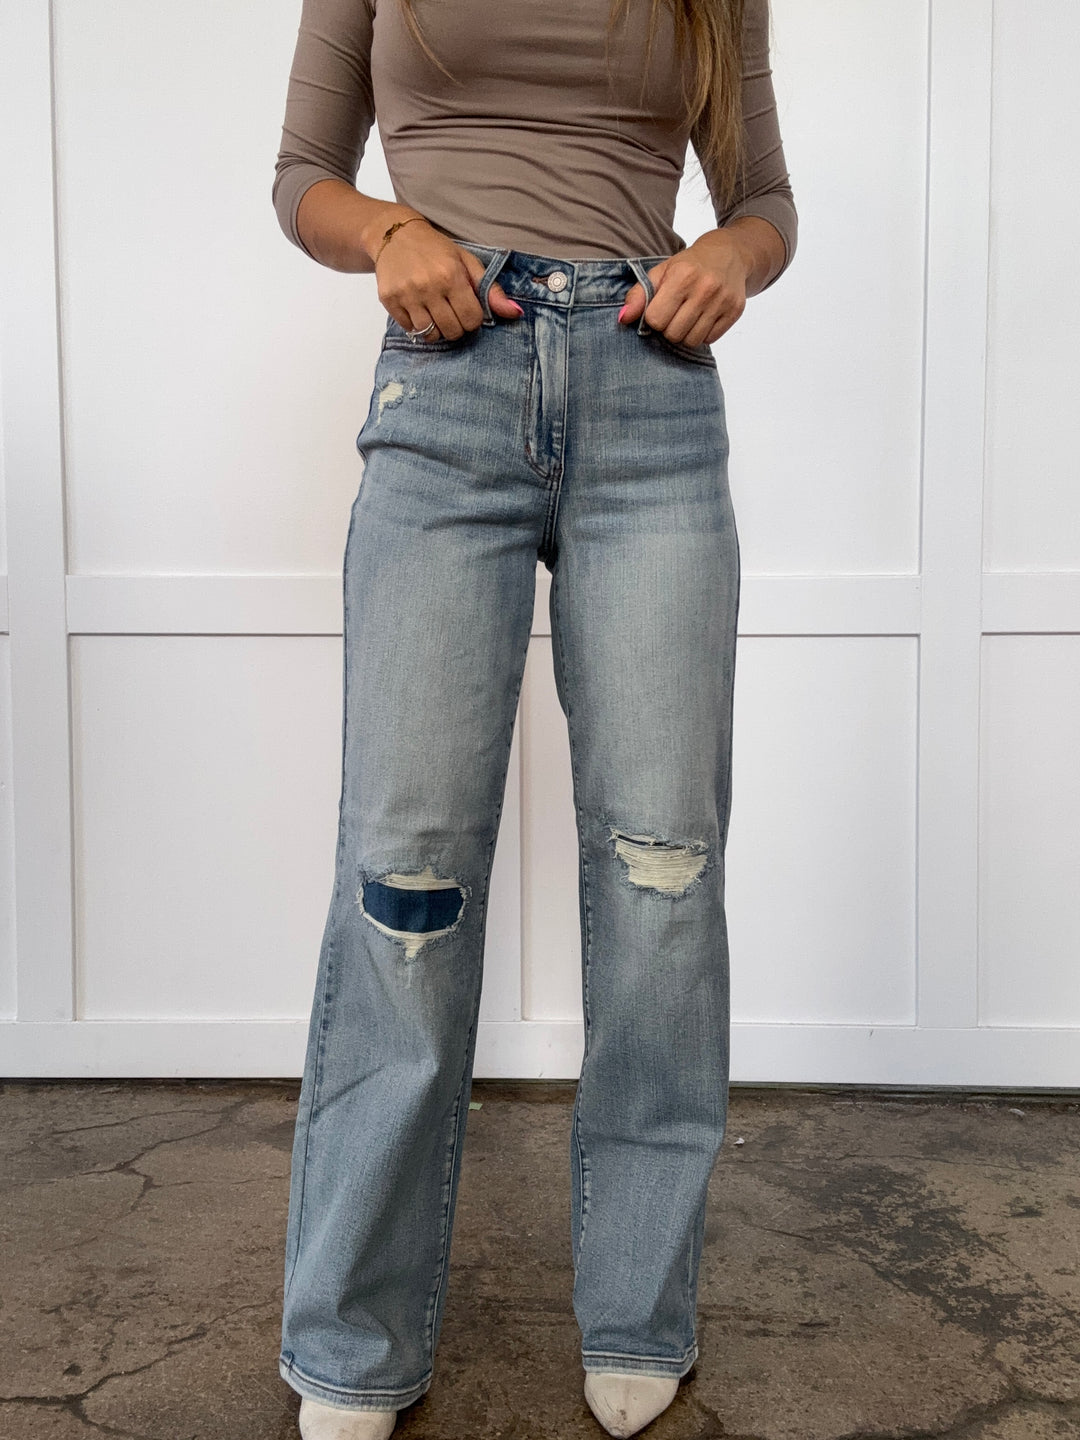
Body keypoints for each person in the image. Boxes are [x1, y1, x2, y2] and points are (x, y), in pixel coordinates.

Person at [271, 0, 797, 1435]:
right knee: (406, 882)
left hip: (652, 398)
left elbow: (763, 202)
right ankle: (354, 1337)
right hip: (448, 386)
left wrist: (726, 260)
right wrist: (391, 232)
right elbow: (302, 177)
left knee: (661, 876)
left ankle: (639, 1306)